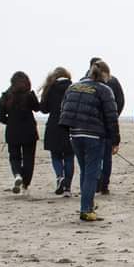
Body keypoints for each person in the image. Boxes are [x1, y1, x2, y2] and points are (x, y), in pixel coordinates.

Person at [59, 62, 120, 220]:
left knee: (85, 171)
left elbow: (64, 108)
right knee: (91, 173)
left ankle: (88, 204)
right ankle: (86, 209)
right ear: (105, 74)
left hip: (75, 134)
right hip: (93, 135)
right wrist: (115, 140)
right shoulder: (104, 90)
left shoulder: (74, 87)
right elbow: (111, 117)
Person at [0, 72, 40, 196]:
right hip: (29, 131)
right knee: (29, 158)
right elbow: (37, 108)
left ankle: (17, 175)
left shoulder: (6, 96)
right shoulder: (29, 95)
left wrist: (9, 122)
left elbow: (0, 116)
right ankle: (26, 185)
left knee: (14, 156)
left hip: (12, 131)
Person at [88, 59, 124, 195]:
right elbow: (120, 101)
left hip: (92, 126)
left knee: (94, 158)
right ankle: (104, 185)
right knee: (106, 158)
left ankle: (96, 183)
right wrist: (113, 116)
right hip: (107, 125)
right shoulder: (113, 82)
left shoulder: (84, 83)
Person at [39, 67, 75, 196]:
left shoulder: (50, 88)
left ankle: (60, 177)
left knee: (56, 155)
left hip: (54, 124)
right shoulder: (73, 87)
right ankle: (67, 189)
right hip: (70, 125)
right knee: (69, 156)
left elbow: (43, 108)